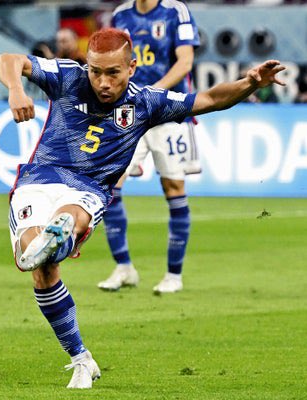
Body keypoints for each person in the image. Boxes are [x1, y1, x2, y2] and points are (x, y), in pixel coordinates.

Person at [0, 27, 285, 389]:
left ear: (131, 68)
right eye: (95, 72)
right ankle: (81, 356)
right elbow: (9, 60)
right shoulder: (68, 76)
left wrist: (250, 82)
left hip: (88, 189)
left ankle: (61, 236)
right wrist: (16, 89)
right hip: (39, 180)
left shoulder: (146, 102)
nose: (102, 82)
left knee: (67, 221)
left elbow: (209, 99)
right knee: (36, 266)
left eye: (113, 73)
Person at [97, 0, 201, 294]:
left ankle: (173, 275)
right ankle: (124, 267)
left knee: (173, 187)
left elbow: (185, 62)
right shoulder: (120, 15)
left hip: (170, 110)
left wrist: (153, 92)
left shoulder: (175, 11)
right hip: (129, 113)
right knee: (110, 184)